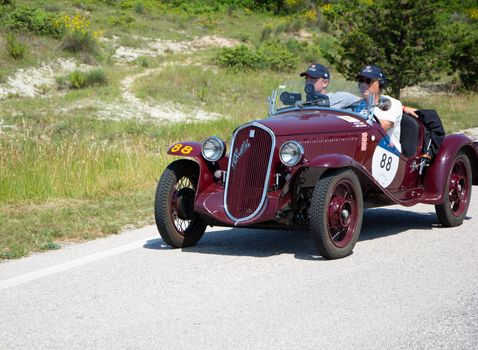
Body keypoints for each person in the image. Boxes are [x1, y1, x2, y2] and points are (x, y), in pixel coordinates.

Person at [355, 64, 403, 152]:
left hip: (388, 153)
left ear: (380, 84)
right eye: (361, 80)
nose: (363, 84)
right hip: (363, 151)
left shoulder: (391, 104)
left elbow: (379, 128)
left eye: (368, 81)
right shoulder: (356, 104)